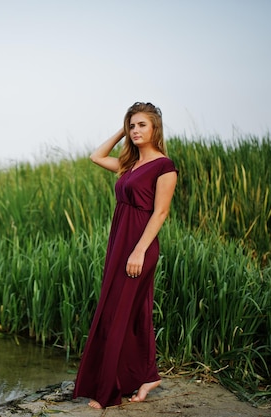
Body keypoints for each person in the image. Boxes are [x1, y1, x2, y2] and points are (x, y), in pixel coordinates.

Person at [72, 102, 178, 409]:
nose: (136, 131)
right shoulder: (128, 165)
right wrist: (122, 129)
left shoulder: (164, 166)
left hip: (139, 246)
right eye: (132, 126)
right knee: (129, 312)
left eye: (142, 125)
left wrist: (139, 251)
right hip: (120, 244)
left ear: (155, 127)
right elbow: (95, 156)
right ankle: (147, 376)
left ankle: (110, 391)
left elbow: (160, 213)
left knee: (121, 312)